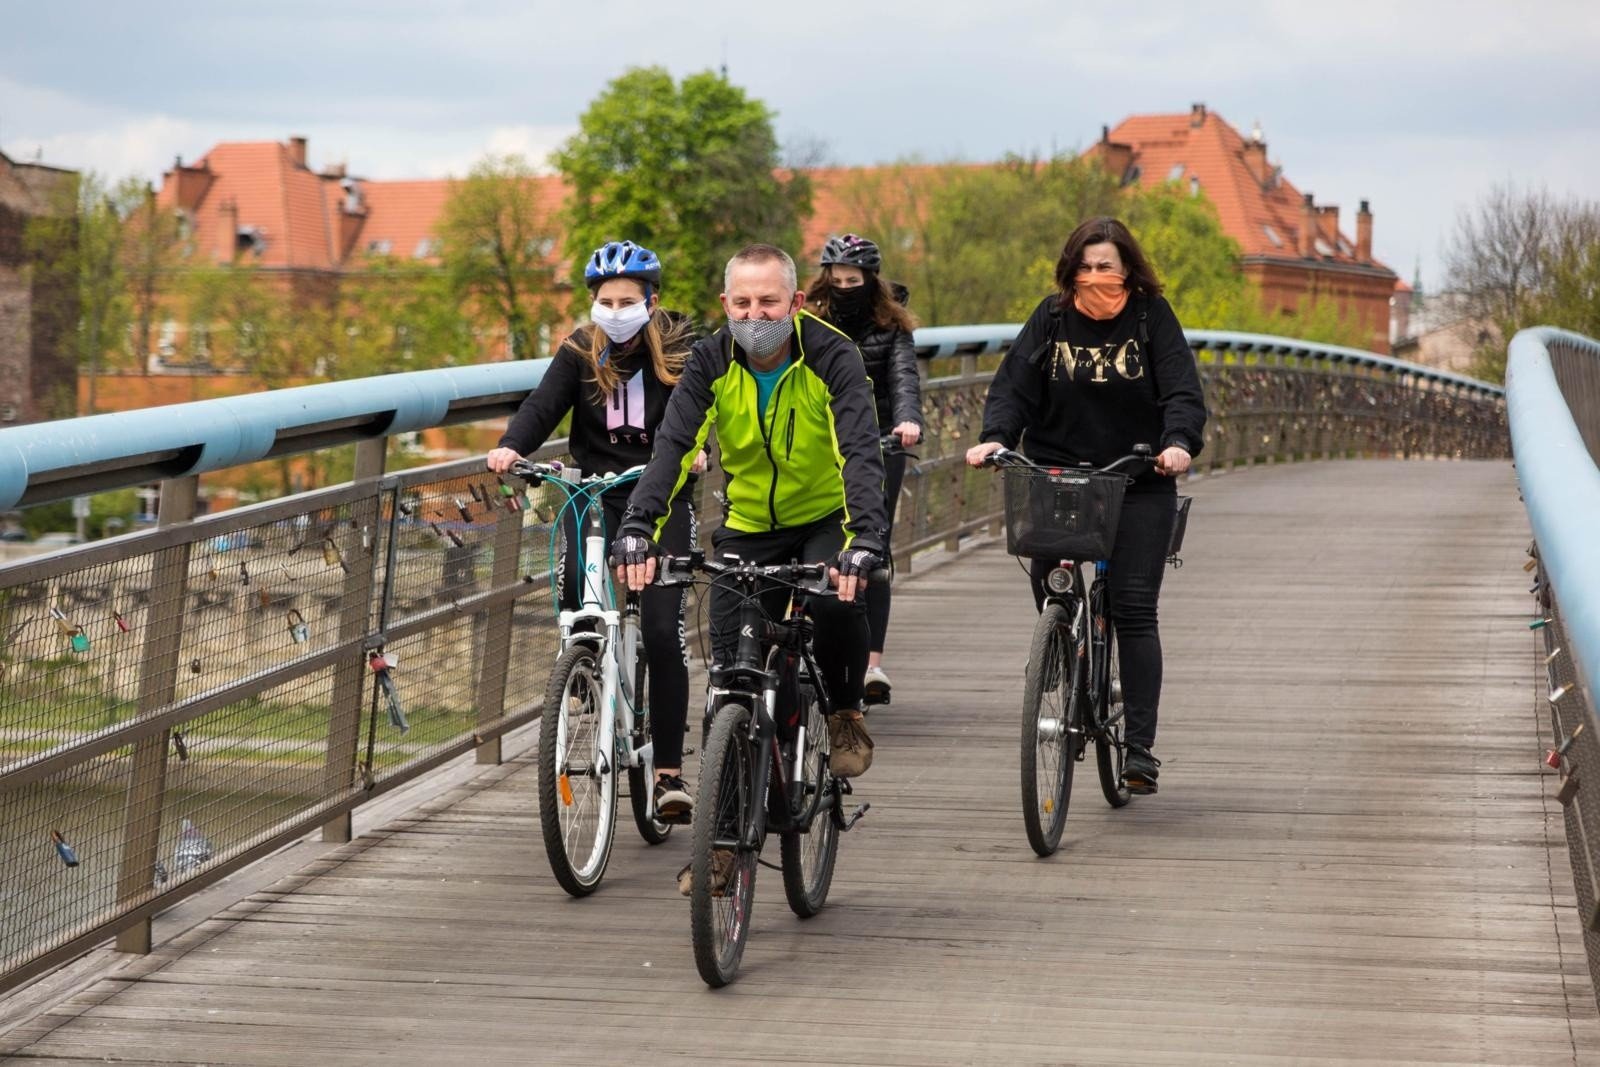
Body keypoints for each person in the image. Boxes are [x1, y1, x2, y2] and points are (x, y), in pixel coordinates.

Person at [612, 243, 887, 787]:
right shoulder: (710, 361)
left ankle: (844, 713)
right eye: (742, 302)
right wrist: (638, 527)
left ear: (796, 301)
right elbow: (671, 446)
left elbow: (859, 448)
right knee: (731, 674)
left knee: (835, 604)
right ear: (725, 303)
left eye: (768, 301)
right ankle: (724, 836)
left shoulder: (833, 355)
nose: (754, 315)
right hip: (749, 523)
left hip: (824, 517)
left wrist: (865, 539)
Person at [965, 217, 1207, 795]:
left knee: (1133, 608)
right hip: (1058, 474)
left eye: (1107, 267)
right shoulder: (1050, 318)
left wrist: (1178, 444)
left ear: (1128, 271)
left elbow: (1180, 389)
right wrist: (996, 436)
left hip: (1137, 476)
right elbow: (1013, 388)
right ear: (1070, 270)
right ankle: (1060, 647)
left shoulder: (1151, 318)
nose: (1095, 276)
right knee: (1051, 580)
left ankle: (1140, 750)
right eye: (1086, 266)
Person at [486, 240, 701, 822]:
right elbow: (542, 404)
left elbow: (704, 410)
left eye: (627, 300)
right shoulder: (582, 349)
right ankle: (584, 667)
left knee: (660, 627)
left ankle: (668, 775)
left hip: (660, 497)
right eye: (604, 300)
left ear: (651, 301)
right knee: (577, 602)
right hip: (595, 492)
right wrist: (512, 445)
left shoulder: (682, 348)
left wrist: (701, 452)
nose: (614, 309)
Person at [805, 234, 923, 706]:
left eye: (853, 281)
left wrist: (908, 419)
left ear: (871, 282)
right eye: (836, 280)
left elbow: (903, 376)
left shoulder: (891, 325)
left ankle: (872, 664)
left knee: (872, 551)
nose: (844, 288)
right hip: (821, 442)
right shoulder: (810, 320)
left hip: (879, 443)